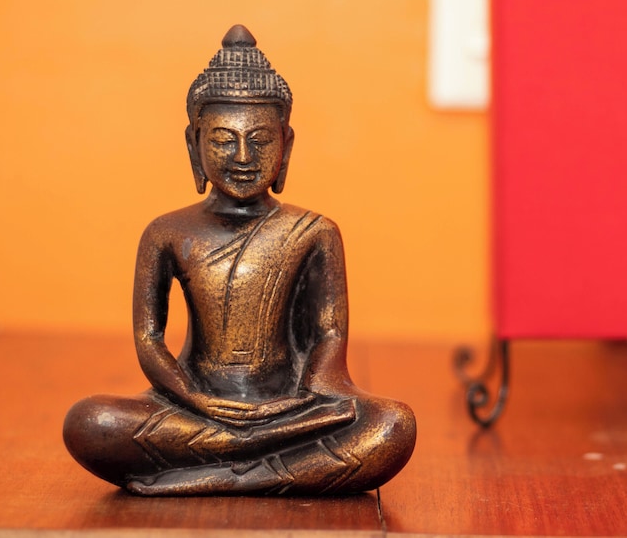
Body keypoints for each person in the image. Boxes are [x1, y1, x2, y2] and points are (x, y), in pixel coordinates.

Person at [63, 25, 416, 495]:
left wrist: (313, 399)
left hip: (289, 410)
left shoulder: (315, 232)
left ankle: (208, 475)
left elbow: (329, 336)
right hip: (194, 408)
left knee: (392, 425)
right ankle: (266, 467)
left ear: (286, 145)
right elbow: (149, 339)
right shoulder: (167, 232)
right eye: (224, 139)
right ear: (194, 144)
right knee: (92, 422)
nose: (244, 156)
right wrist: (196, 399)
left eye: (261, 140)